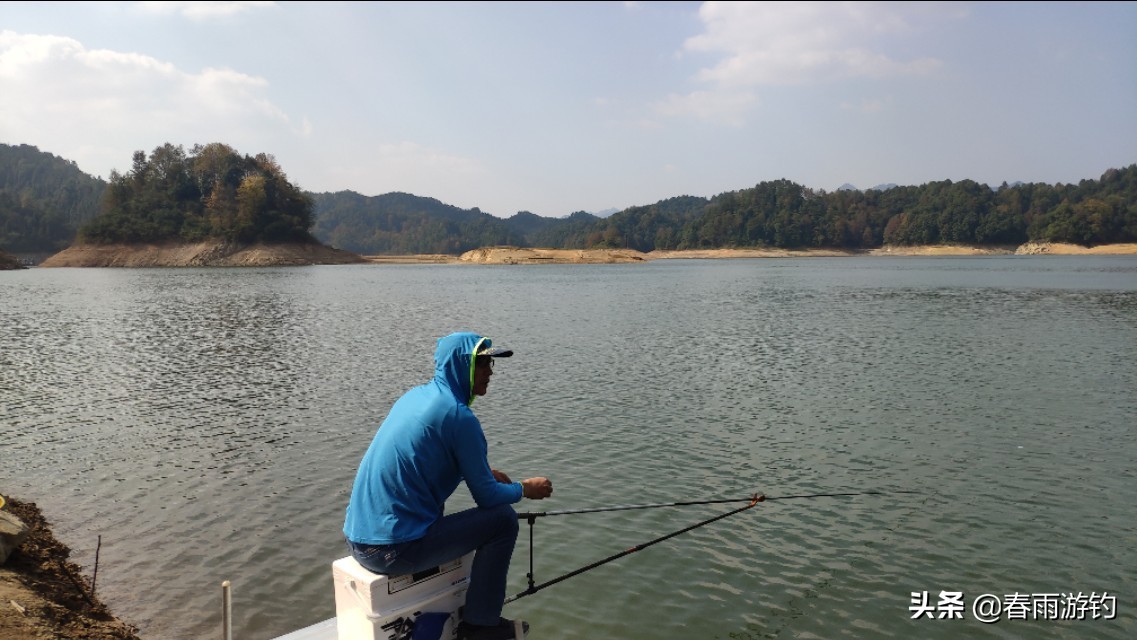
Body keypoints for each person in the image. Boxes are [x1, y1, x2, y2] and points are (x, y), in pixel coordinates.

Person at [344, 331, 553, 640]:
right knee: (503, 520)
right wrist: (525, 489)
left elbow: (426, 459)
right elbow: (487, 498)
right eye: (482, 364)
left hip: (359, 540)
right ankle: (481, 626)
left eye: (491, 365)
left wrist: (483, 470)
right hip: (392, 551)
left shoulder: (416, 397)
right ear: (462, 366)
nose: (490, 373)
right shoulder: (460, 417)